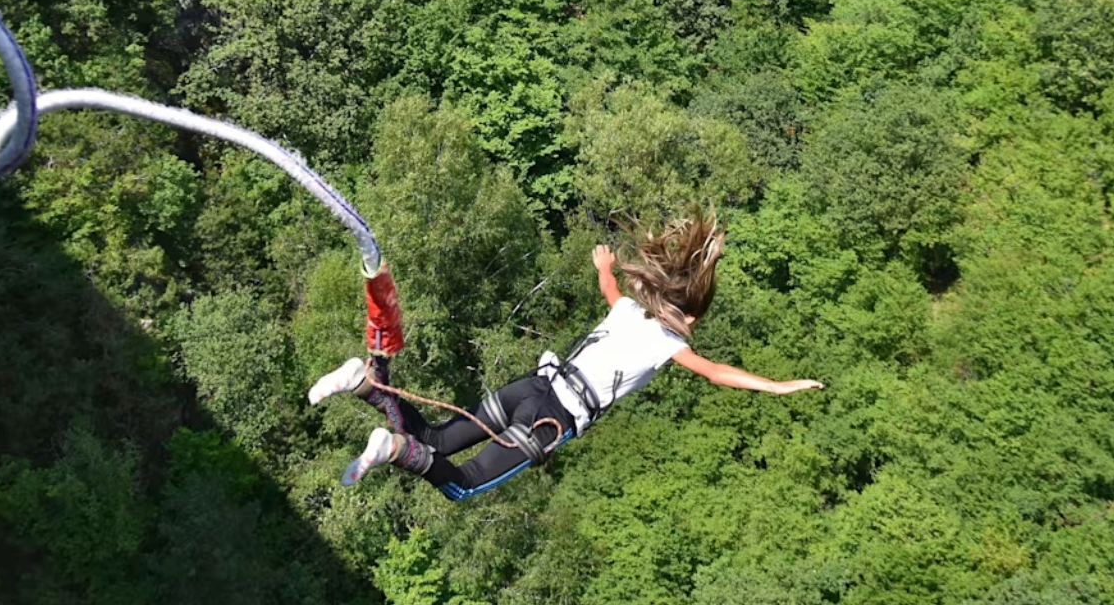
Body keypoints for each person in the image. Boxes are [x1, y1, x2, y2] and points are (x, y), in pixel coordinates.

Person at [306, 213, 825, 501]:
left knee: (437, 439)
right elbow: (714, 373)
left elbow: (609, 287)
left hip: (532, 388)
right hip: (552, 419)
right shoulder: (669, 343)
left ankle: (364, 385)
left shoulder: (628, 308)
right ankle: (394, 448)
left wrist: (606, 265)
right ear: (689, 315)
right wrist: (777, 385)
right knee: (463, 486)